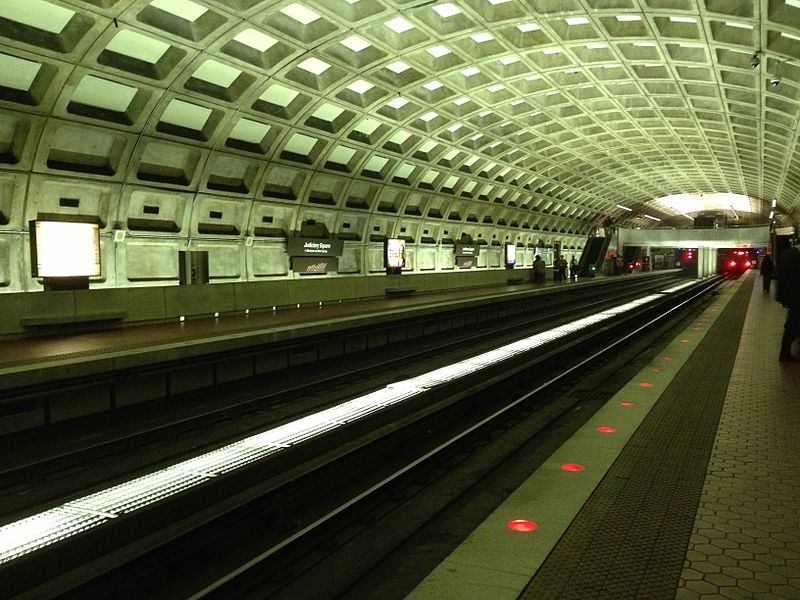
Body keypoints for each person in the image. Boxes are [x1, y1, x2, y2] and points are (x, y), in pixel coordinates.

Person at [776, 241, 800, 362]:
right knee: (793, 325)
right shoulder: (796, 257)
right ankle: (784, 354)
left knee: (792, 324)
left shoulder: (785, 254)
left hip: (789, 296)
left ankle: (785, 352)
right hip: (796, 297)